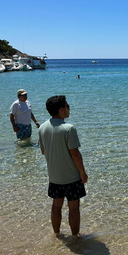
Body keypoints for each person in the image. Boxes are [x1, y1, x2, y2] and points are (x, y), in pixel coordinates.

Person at [38, 95, 88, 241]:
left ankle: (57, 235)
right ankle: (75, 237)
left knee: (56, 206)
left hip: (54, 176)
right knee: (73, 208)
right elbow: (75, 154)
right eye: (67, 106)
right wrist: (82, 173)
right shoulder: (69, 129)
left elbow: (43, 151)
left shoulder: (42, 127)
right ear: (61, 109)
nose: (69, 108)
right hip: (71, 177)